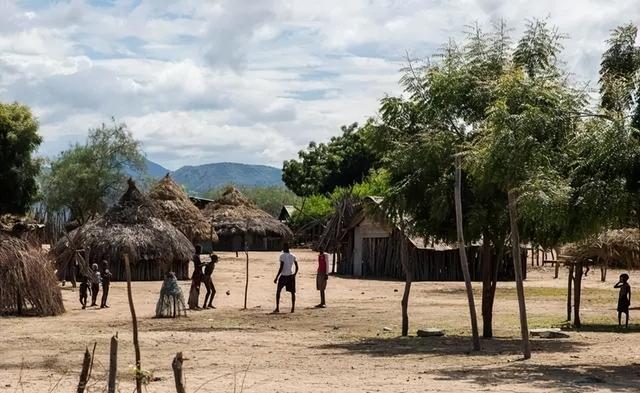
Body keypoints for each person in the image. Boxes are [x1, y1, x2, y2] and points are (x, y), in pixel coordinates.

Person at [273, 243, 298, 313]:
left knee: (278, 291)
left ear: (285, 248)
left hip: (284, 276)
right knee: (292, 292)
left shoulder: (282, 256)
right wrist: (295, 274)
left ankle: (277, 308)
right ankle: (293, 308)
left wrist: (276, 277)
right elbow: (297, 267)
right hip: (290, 276)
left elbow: (281, 267)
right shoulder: (293, 256)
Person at [188, 245, 204, 310]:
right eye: (200, 249)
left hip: (197, 274)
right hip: (197, 274)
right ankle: (194, 304)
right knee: (196, 289)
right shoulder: (196, 256)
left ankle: (194, 303)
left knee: (196, 289)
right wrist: (203, 264)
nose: (201, 251)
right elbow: (198, 266)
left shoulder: (196, 256)